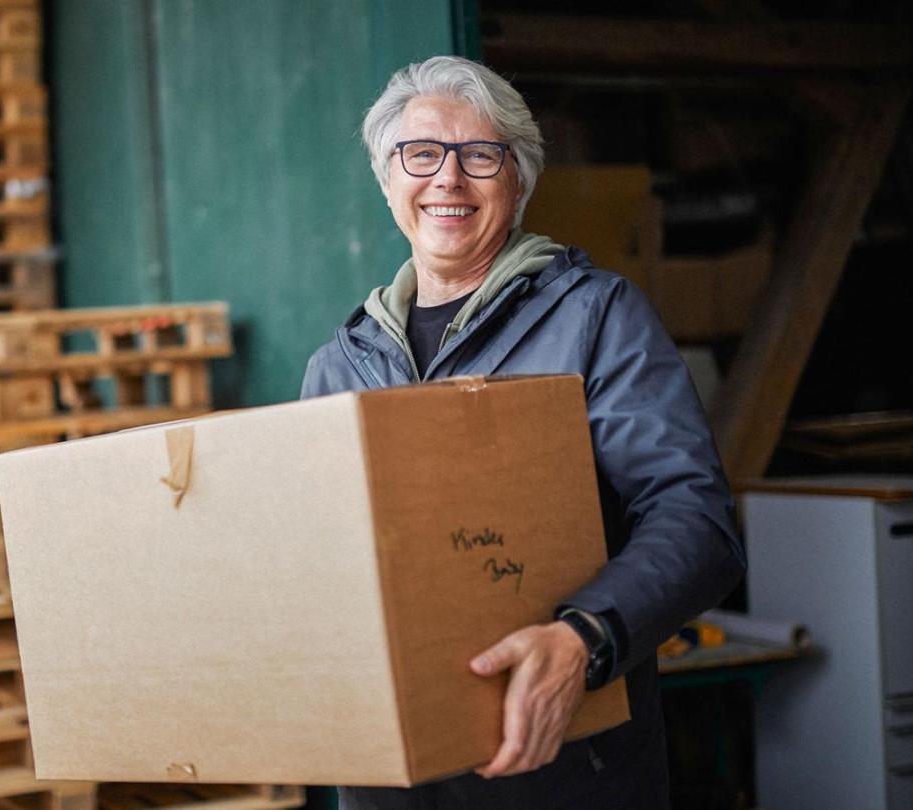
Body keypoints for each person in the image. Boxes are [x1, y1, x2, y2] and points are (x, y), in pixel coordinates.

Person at [301, 55, 747, 810]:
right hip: (389, 783)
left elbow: (697, 519)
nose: (448, 178)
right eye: (421, 154)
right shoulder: (338, 366)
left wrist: (585, 637)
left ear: (518, 182)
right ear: (387, 179)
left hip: (562, 772)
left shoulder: (596, 318)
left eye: (480, 155)